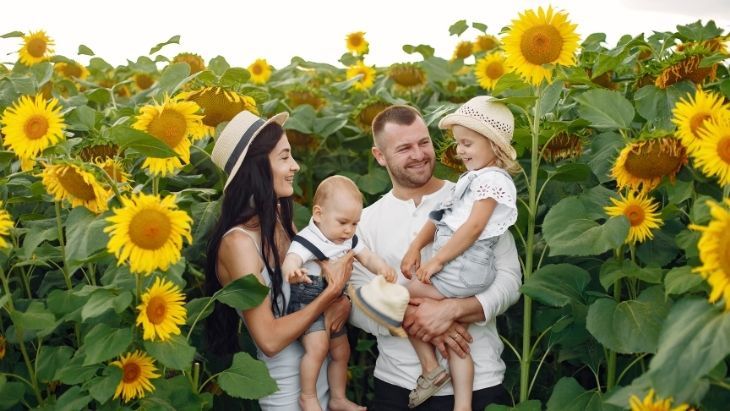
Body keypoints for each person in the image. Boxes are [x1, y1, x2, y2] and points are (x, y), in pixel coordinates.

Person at [348, 103, 522, 411]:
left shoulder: (475, 196)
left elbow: (510, 280)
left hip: (480, 380)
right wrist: (412, 316)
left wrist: (455, 310)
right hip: (399, 384)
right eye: (404, 148)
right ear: (379, 156)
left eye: (423, 142)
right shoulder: (364, 221)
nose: (419, 154)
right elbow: (355, 299)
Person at [204, 110, 356, 411]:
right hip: (288, 396)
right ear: (257, 167)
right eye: (284, 157)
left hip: (321, 384)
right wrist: (329, 296)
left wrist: (342, 298)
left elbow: (315, 278)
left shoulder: (278, 219)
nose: (295, 166)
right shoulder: (238, 244)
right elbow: (270, 339)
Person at [400, 95, 520, 410]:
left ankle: (431, 369)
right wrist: (416, 247)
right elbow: (439, 216)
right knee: (459, 343)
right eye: (457, 144)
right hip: (465, 274)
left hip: (463, 271)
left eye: (467, 143)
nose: (459, 151)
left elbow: (475, 227)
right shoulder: (471, 180)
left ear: (494, 146)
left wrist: (437, 260)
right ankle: (463, 404)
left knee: (396, 297)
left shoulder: (493, 180)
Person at [282, 175, 396, 411]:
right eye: (343, 222)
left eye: (355, 224)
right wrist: (292, 271)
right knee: (318, 348)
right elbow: (292, 258)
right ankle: (308, 396)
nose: (348, 230)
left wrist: (381, 268)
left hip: (334, 300)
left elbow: (367, 257)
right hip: (308, 299)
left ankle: (337, 397)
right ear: (318, 214)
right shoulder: (309, 238)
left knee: (342, 351)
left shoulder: (349, 238)